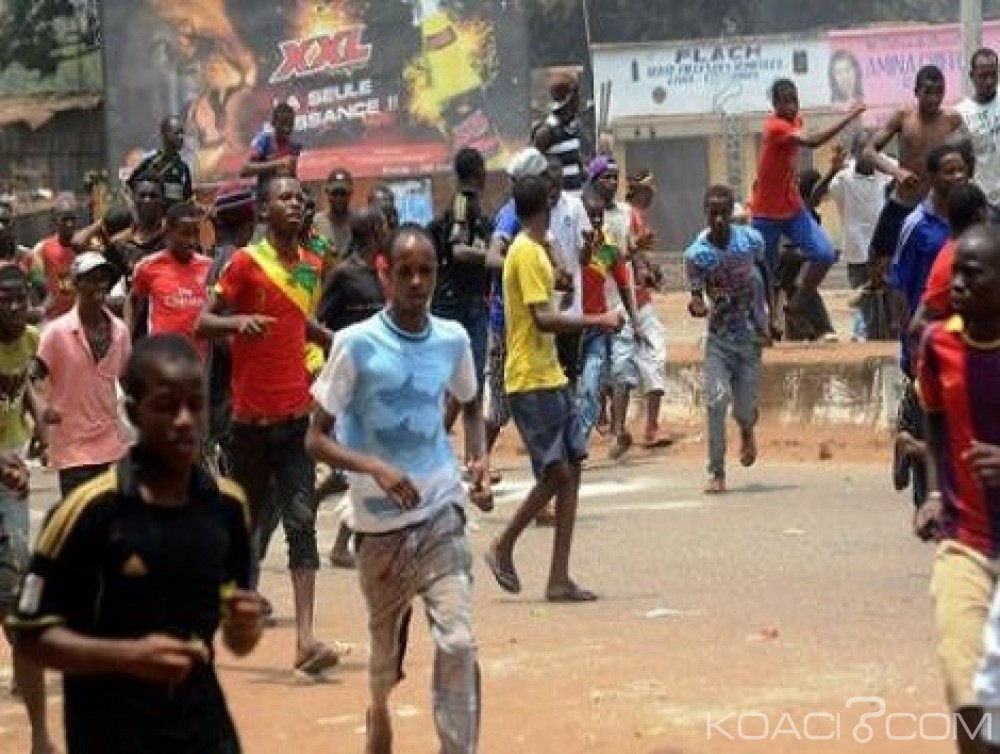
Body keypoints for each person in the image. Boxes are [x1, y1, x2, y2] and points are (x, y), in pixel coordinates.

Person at [9, 334, 263, 753]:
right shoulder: (89, 514)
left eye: (195, 405)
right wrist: (127, 657)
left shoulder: (227, 508)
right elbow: (32, 638)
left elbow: (234, 638)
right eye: (166, 406)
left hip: (203, 729)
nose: (184, 419)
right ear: (132, 411)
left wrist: (244, 626)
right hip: (111, 733)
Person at [306, 224, 491, 754]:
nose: (416, 281)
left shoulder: (452, 339)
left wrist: (477, 458)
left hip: (439, 513)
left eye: (426, 270)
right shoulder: (355, 345)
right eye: (404, 271)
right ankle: (379, 709)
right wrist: (374, 467)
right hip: (378, 529)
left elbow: (471, 402)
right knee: (384, 659)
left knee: (457, 640)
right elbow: (314, 439)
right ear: (386, 274)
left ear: (436, 274)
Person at [196, 176, 338, 677]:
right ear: (264, 209)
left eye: (301, 198)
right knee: (245, 528)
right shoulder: (243, 263)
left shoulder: (311, 264)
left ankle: (304, 640)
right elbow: (203, 322)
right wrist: (237, 324)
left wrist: (339, 341)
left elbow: (301, 324)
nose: (296, 204)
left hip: (295, 421)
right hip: (248, 426)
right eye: (285, 198)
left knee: (302, 525)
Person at [484, 174, 623, 603]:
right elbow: (543, 319)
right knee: (556, 471)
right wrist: (598, 321)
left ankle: (559, 576)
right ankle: (502, 546)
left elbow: (550, 310)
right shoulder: (526, 252)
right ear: (547, 201)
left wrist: (565, 287)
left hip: (549, 373)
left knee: (574, 466)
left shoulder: (538, 252)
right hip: (529, 377)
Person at [918, 225, 1000, 754]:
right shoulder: (938, 344)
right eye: (957, 273)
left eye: (974, 273)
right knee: (969, 696)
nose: (960, 284)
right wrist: (930, 492)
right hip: (966, 540)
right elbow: (932, 419)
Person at [890, 142, 969, 536]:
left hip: (974, 342)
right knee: (937, 424)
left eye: (961, 170)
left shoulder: (978, 218)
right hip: (930, 342)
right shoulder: (916, 226)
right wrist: (910, 344)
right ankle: (930, 504)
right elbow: (901, 289)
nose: (955, 178)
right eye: (948, 171)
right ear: (934, 176)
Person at [751, 78, 864, 323]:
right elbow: (812, 142)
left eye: (794, 101)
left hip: (792, 209)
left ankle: (796, 305)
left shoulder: (797, 122)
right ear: (775, 105)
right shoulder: (775, 127)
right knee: (763, 274)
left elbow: (802, 143)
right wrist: (849, 117)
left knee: (824, 254)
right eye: (785, 102)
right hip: (766, 214)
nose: (791, 107)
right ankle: (766, 323)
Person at [0, 264, 56, 754]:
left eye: (20, 299)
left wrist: (42, 422)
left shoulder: (33, 337)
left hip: (10, 466)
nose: (15, 308)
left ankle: (24, 663)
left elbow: (26, 390)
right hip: (4, 466)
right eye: (5, 300)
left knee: (17, 575)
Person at [685, 185, 769, 494]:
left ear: (731, 212)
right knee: (716, 401)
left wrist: (770, 320)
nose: (718, 219)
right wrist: (697, 305)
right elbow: (695, 295)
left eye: (723, 212)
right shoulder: (697, 255)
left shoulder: (749, 241)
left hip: (749, 337)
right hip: (718, 339)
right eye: (712, 213)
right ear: (705, 213)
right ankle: (716, 471)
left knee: (745, 408)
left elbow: (764, 276)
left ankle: (747, 429)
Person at [35, 252, 131, 498]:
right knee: (81, 528)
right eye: (92, 278)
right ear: (76, 284)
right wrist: (42, 422)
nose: (100, 285)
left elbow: (130, 382)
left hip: (113, 448)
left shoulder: (120, 332)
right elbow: (31, 379)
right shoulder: (55, 333)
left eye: (103, 279)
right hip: (72, 452)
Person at [864, 65, 966, 282]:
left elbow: (968, 157)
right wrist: (897, 172)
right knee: (880, 264)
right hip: (903, 203)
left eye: (939, 92)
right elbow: (869, 151)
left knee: (938, 264)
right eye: (928, 92)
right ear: (916, 91)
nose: (933, 98)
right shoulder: (904, 116)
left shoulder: (953, 120)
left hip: (937, 209)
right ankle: (888, 312)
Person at [428, 148, 493, 434]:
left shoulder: (471, 204)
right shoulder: (462, 205)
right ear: (480, 172)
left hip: (468, 300)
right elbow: (458, 251)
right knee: (462, 380)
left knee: (468, 382)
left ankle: (473, 457)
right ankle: (439, 439)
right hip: (460, 302)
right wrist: (492, 257)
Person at [590, 156, 644, 460]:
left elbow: (628, 254)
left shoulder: (626, 213)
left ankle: (618, 430)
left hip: (622, 299)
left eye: (615, 176)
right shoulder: (585, 214)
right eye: (606, 177)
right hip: (594, 305)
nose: (611, 182)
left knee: (623, 365)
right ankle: (601, 414)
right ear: (594, 180)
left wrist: (636, 317)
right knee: (598, 370)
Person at [577, 193, 637, 444]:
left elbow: (624, 284)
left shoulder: (609, 249)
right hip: (568, 329)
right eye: (590, 219)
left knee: (591, 384)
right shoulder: (566, 246)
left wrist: (634, 319)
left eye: (599, 219)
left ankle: (577, 443)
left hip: (597, 326)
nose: (595, 225)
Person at [825, 129, 893, 340]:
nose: (869, 155)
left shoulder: (887, 171)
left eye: (874, 150)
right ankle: (861, 339)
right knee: (863, 300)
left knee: (886, 300)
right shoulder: (842, 180)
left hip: (883, 251)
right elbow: (827, 194)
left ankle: (880, 340)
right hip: (857, 251)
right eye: (864, 150)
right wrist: (833, 169)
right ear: (854, 152)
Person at [625, 170, 673, 447]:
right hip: (633, 299)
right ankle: (651, 426)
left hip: (628, 297)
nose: (653, 193)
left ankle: (612, 423)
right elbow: (632, 254)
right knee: (654, 352)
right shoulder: (631, 216)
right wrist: (645, 270)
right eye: (648, 189)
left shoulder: (633, 215)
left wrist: (649, 269)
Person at [127, 201, 212, 355]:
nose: (192, 241)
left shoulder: (209, 267)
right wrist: (126, 342)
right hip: (161, 361)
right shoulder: (148, 266)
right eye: (185, 234)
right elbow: (133, 302)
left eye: (195, 233)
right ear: (168, 232)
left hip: (199, 363)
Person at [957, 48, 1000, 217]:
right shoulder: (961, 113)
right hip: (985, 202)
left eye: (993, 74)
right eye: (983, 76)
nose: (989, 81)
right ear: (972, 76)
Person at [533, 72, 586, 193]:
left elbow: (577, 165)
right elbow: (533, 168)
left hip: (576, 203)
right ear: (569, 100)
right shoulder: (546, 132)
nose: (578, 102)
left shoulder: (573, 128)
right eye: (576, 98)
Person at [126, 116, 194, 206]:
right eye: (177, 133)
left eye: (182, 133)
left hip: (173, 218)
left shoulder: (184, 168)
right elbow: (131, 184)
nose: (181, 137)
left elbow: (188, 199)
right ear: (165, 135)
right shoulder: (152, 161)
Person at [31, 194, 78, 321]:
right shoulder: (42, 249)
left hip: (80, 319)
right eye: (65, 219)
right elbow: (38, 284)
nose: (69, 224)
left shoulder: (85, 246)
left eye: (73, 219)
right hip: (54, 319)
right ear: (55, 220)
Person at [240, 102, 302, 199]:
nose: (287, 129)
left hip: (286, 197)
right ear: (273, 122)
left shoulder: (294, 147)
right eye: (283, 123)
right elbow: (244, 171)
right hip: (266, 198)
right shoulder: (264, 141)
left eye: (290, 125)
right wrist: (277, 163)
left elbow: (293, 176)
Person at [314, 168, 354, 274]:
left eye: (343, 193)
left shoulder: (358, 222)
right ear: (327, 192)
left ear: (351, 193)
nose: (339, 198)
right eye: (335, 193)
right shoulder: (315, 222)